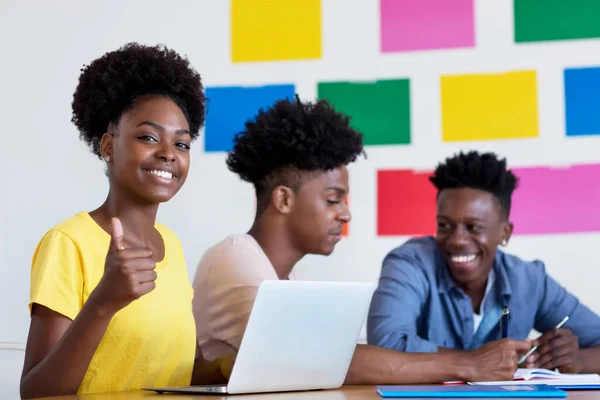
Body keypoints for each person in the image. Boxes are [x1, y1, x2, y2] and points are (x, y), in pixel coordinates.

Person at [192, 97, 531, 385]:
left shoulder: (293, 282)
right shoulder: (233, 260)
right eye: (333, 200)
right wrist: (469, 365)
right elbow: (326, 360)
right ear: (283, 200)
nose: (346, 215)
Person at [20, 43, 232, 399]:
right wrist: (104, 301)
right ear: (107, 146)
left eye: (181, 144)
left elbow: (170, 370)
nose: (168, 154)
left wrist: (228, 365)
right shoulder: (69, 242)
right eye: (148, 137)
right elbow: (36, 391)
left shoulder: (172, 245)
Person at [367, 151, 600, 374]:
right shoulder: (410, 263)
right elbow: (385, 346)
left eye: (474, 227)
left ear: (504, 233)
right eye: (444, 225)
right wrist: (474, 363)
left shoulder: (529, 280)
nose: (457, 240)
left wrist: (578, 360)